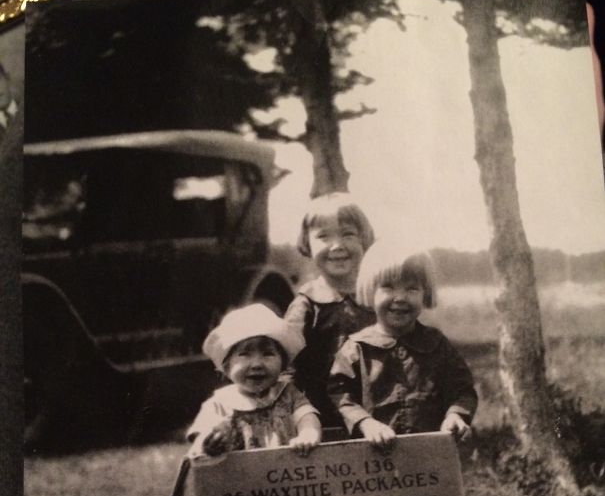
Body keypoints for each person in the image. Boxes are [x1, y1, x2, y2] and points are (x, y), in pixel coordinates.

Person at [327, 240, 478, 450]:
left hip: (430, 455)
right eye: (388, 287)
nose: (400, 298)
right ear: (371, 291)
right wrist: (365, 423)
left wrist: (455, 415)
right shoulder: (356, 348)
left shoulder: (437, 344)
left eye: (411, 289)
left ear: (425, 293)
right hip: (374, 459)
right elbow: (339, 395)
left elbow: (462, 390)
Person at [284, 192, 377, 430]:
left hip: (381, 420)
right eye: (323, 237)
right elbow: (287, 369)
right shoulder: (306, 306)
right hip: (324, 424)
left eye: (348, 234)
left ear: (364, 239)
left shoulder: (378, 298)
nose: (337, 246)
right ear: (307, 244)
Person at [187, 303, 321, 459]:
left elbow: (307, 416)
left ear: (283, 363)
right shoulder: (220, 404)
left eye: (268, 354)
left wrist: (308, 433)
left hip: (284, 473)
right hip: (240, 477)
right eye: (244, 354)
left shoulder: (288, 394)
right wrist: (209, 442)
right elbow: (202, 437)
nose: (257, 364)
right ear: (227, 364)